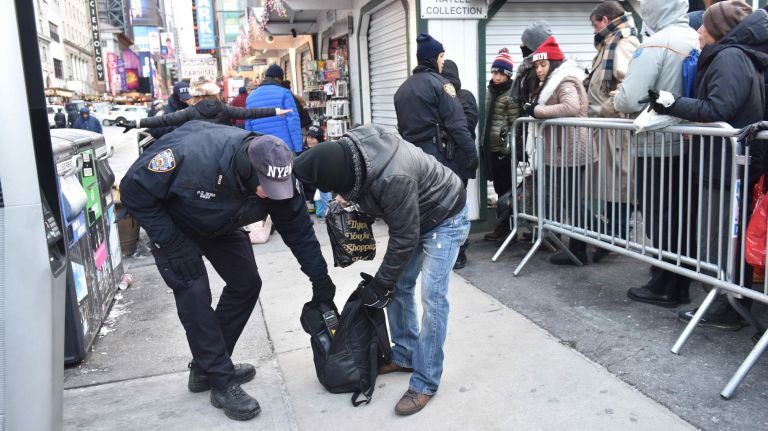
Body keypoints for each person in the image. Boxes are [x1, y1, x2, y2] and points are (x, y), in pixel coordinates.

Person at [119, 121, 337, 421]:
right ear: (247, 170)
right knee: (195, 292)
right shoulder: (191, 155)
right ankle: (221, 381)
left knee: (247, 283)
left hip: (221, 222)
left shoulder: (279, 174)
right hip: (173, 225)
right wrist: (172, 243)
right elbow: (132, 189)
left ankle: (205, 367)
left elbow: (299, 231)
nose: (271, 195)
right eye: (266, 188)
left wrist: (320, 278)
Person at [293, 125, 471, 416]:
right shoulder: (352, 150)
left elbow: (404, 238)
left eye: (336, 188)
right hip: (416, 214)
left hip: (444, 216)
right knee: (399, 286)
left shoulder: (393, 178)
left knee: (433, 297)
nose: (336, 194)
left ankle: (426, 381)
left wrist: (381, 283)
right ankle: (405, 355)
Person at [648, 2, 768, 329]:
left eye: (704, 26)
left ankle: (726, 305)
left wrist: (672, 103)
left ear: (718, 30)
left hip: (725, 166)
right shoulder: (737, 54)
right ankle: (728, 301)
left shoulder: (729, 56)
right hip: (729, 163)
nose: (698, 31)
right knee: (721, 239)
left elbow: (720, 106)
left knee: (718, 240)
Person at [613, 0, 699, 308]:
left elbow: (628, 99)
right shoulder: (696, 36)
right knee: (683, 216)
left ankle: (665, 284)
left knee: (659, 216)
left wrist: (619, 96)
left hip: (657, 144)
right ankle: (682, 281)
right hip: (692, 144)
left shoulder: (655, 43)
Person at [522, 36, 593, 264]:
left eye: (542, 65)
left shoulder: (565, 80)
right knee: (569, 199)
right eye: (536, 66)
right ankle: (581, 244)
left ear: (552, 64)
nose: (539, 70)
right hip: (564, 149)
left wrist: (538, 111)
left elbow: (571, 107)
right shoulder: (555, 80)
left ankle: (580, 248)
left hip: (571, 150)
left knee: (571, 200)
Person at [578, 0, 640, 265]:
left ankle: (616, 235)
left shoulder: (622, 44)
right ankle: (611, 235)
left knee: (618, 184)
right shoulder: (610, 43)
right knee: (608, 184)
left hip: (616, 127)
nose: (594, 29)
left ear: (604, 21)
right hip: (606, 127)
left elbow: (629, 85)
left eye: (595, 24)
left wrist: (605, 109)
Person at [393, 33, 479, 194]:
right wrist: (471, 154)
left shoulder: (402, 90)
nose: (442, 61)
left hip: (411, 159)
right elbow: (457, 125)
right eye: (440, 56)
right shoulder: (441, 85)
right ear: (432, 58)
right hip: (438, 159)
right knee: (450, 207)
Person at [116, 75, 290, 132]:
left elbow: (163, 120)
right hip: (226, 149)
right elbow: (249, 113)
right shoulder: (223, 108)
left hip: (200, 152)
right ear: (214, 93)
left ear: (196, 95)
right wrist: (277, 111)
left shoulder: (191, 112)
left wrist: (134, 123)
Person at [479, 48, 520, 244]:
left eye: (500, 73)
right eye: (494, 72)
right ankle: (505, 226)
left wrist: (510, 149)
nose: (496, 76)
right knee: (498, 187)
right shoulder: (490, 92)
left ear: (507, 74)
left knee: (506, 189)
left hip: (504, 150)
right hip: (491, 148)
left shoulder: (510, 94)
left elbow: (515, 124)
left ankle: (508, 228)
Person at [442, 59, 479, 269]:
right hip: (443, 162)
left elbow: (466, 125)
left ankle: (461, 250)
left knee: (459, 209)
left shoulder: (465, 97)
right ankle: (449, 250)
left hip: (460, 161)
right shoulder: (437, 98)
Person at [246, 65, 303, 154]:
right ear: (277, 78)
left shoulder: (250, 97)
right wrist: (298, 148)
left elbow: (248, 127)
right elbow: (293, 122)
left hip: (262, 149)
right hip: (284, 147)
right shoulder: (284, 93)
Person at [305, 125, 332, 220]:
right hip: (317, 182)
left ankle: (330, 215)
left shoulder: (323, 150)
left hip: (325, 181)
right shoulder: (310, 150)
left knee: (324, 189)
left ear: (319, 139)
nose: (309, 140)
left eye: (313, 138)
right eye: (308, 137)